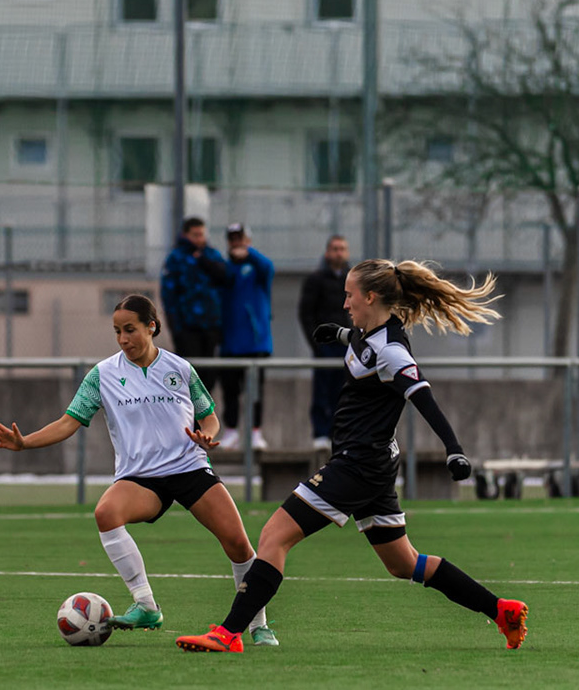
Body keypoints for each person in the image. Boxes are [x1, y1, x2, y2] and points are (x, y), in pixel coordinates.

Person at [176, 259, 527, 655]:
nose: (345, 303)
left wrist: (455, 450)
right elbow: (364, 347)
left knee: (274, 536)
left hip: (357, 465)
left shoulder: (392, 350)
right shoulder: (371, 333)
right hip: (373, 465)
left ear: (371, 297)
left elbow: (423, 398)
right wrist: (342, 335)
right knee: (403, 562)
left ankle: (229, 632)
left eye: (349, 295)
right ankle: (501, 610)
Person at [0, 295, 275, 643]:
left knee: (239, 545)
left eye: (130, 330)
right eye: (117, 332)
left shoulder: (179, 369)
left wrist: (207, 436)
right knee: (106, 512)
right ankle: (146, 605)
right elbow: (68, 422)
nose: (123, 339)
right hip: (141, 477)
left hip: (189, 467)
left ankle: (259, 625)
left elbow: (209, 416)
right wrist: (25, 442)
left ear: (151, 326)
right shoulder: (102, 375)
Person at [218, 221, 274, 451]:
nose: (236, 244)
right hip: (230, 342)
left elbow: (269, 268)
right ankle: (231, 431)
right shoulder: (225, 268)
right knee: (230, 391)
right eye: (233, 239)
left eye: (240, 239)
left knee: (255, 392)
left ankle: (255, 433)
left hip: (255, 342)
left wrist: (248, 252)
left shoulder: (257, 268)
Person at [158, 215, 229, 387]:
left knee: (209, 376)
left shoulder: (211, 255)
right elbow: (169, 295)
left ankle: (204, 414)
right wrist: (176, 328)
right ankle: (188, 414)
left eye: (202, 234)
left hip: (210, 325)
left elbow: (225, 278)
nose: (199, 239)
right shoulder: (176, 258)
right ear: (186, 235)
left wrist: (204, 261)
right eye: (195, 235)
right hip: (187, 327)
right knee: (189, 376)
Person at [298, 235, 352, 451]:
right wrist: (316, 343)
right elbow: (305, 313)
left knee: (343, 391)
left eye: (342, 249)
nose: (339, 253)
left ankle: (338, 433)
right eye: (335, 248)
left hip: (347, 343)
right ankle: (320, 433)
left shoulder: (351, 279)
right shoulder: (316, 280)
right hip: (325, 345)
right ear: (327, 252)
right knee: (322, 390)